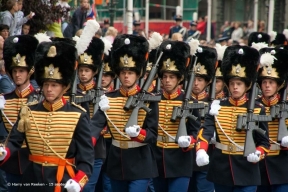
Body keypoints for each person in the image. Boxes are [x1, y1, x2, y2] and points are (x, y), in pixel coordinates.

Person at [0, 40, 94, 192]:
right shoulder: (28, 111)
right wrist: (4, 151)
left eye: (54, 85)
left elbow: (87, 158)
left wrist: (78, 181)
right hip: (32, 179)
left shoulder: (78, 115)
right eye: (46, 85)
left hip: (63, 180)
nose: (49, 89)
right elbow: (15, 141)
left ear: (65, 87)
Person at [196, 45, 270, 192]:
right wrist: (201, 150)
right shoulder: (217, 106)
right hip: (221, 169)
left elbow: (265, 142)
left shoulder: (258, 108)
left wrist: (258, 153)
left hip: (247, 169)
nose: (235, 87)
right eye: (232, 84)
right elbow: (205, 132)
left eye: (239, 84)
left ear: (247, 85)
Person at [90, 34, 159, 192]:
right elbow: (95, 125)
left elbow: (153, 134)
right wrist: (86, 143)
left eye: (131, 72)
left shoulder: (149, 99)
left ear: (138, 73)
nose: (126, 76)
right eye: (123, 72)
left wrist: (139, 133)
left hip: (141, 162)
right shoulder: (108, 98)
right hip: (117, 162)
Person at [152, 40, 201, 192]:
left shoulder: (190, 102)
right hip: (157, 158)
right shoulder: (154, 99)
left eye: (172, 77)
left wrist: (189, 141)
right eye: (165, 76)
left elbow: (196, 131)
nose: (167, 80)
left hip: (181, 160)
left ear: (180, 79)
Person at [0, 35, 38, 192]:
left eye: (21, 70)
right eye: (15, 71)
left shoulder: (38, 98)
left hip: (33, 162)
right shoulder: (4, 99)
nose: (17, 75)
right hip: (10, 162)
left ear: (30, 71)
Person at [256, 47, 288, 192]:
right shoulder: (255, 105)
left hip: (283, 165)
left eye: (272, 82)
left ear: (279, 85)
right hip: (259, 164)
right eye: (264, 82)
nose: (267, 86)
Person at [76, 36, 105, 192]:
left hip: (96, 147)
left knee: (88, 188)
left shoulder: (102, 94)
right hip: (75, 148)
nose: (83, 74)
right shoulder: (73, 92)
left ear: (94, 72)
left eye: (87, 70)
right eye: (80, 70)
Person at [189, 45, 217, 192]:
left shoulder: (214, 104)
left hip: (206, 156)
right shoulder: (181, 102)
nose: (196, 83)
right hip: (184, 156)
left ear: (207, 82)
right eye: (194, 78)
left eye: (200, 79)